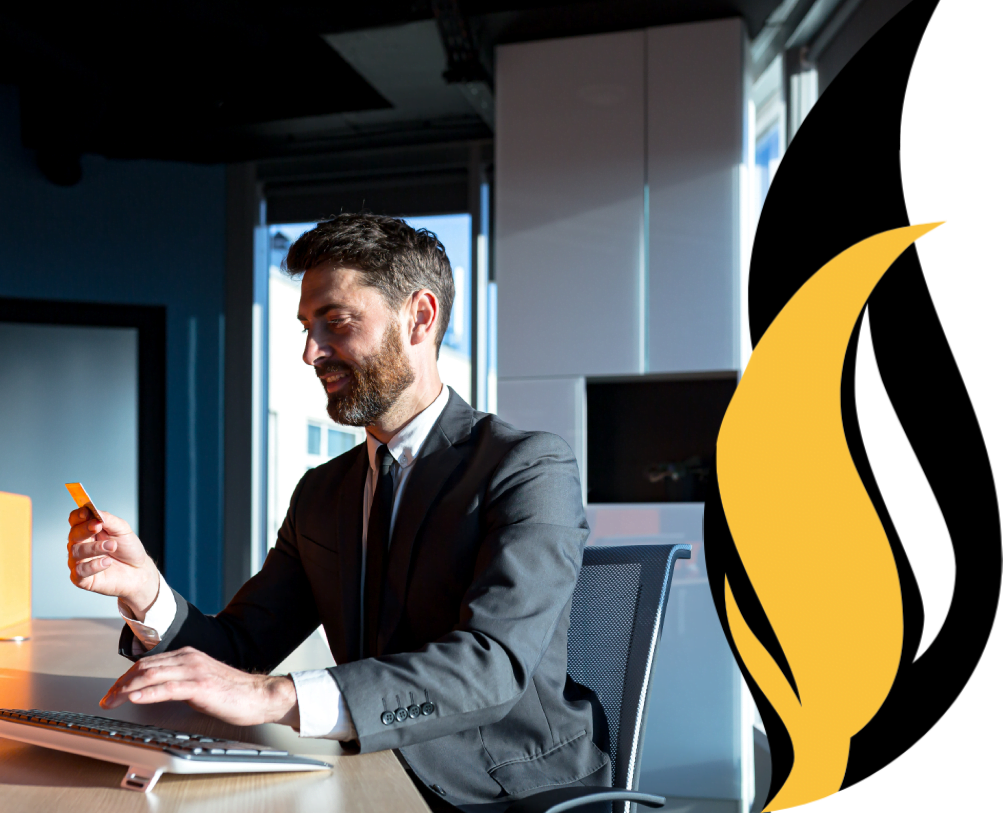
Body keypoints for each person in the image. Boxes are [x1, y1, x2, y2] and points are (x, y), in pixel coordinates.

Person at [66, 213, 607, 811]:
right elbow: (240, 651)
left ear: (419, 318)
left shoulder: (528, 467)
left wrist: (275, 697)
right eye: (305, 326)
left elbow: (491, 667)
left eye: (337, 322)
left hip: (502, 788)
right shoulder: (322, 492)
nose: (309, 352)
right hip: (364, 767)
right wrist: (147, 594)